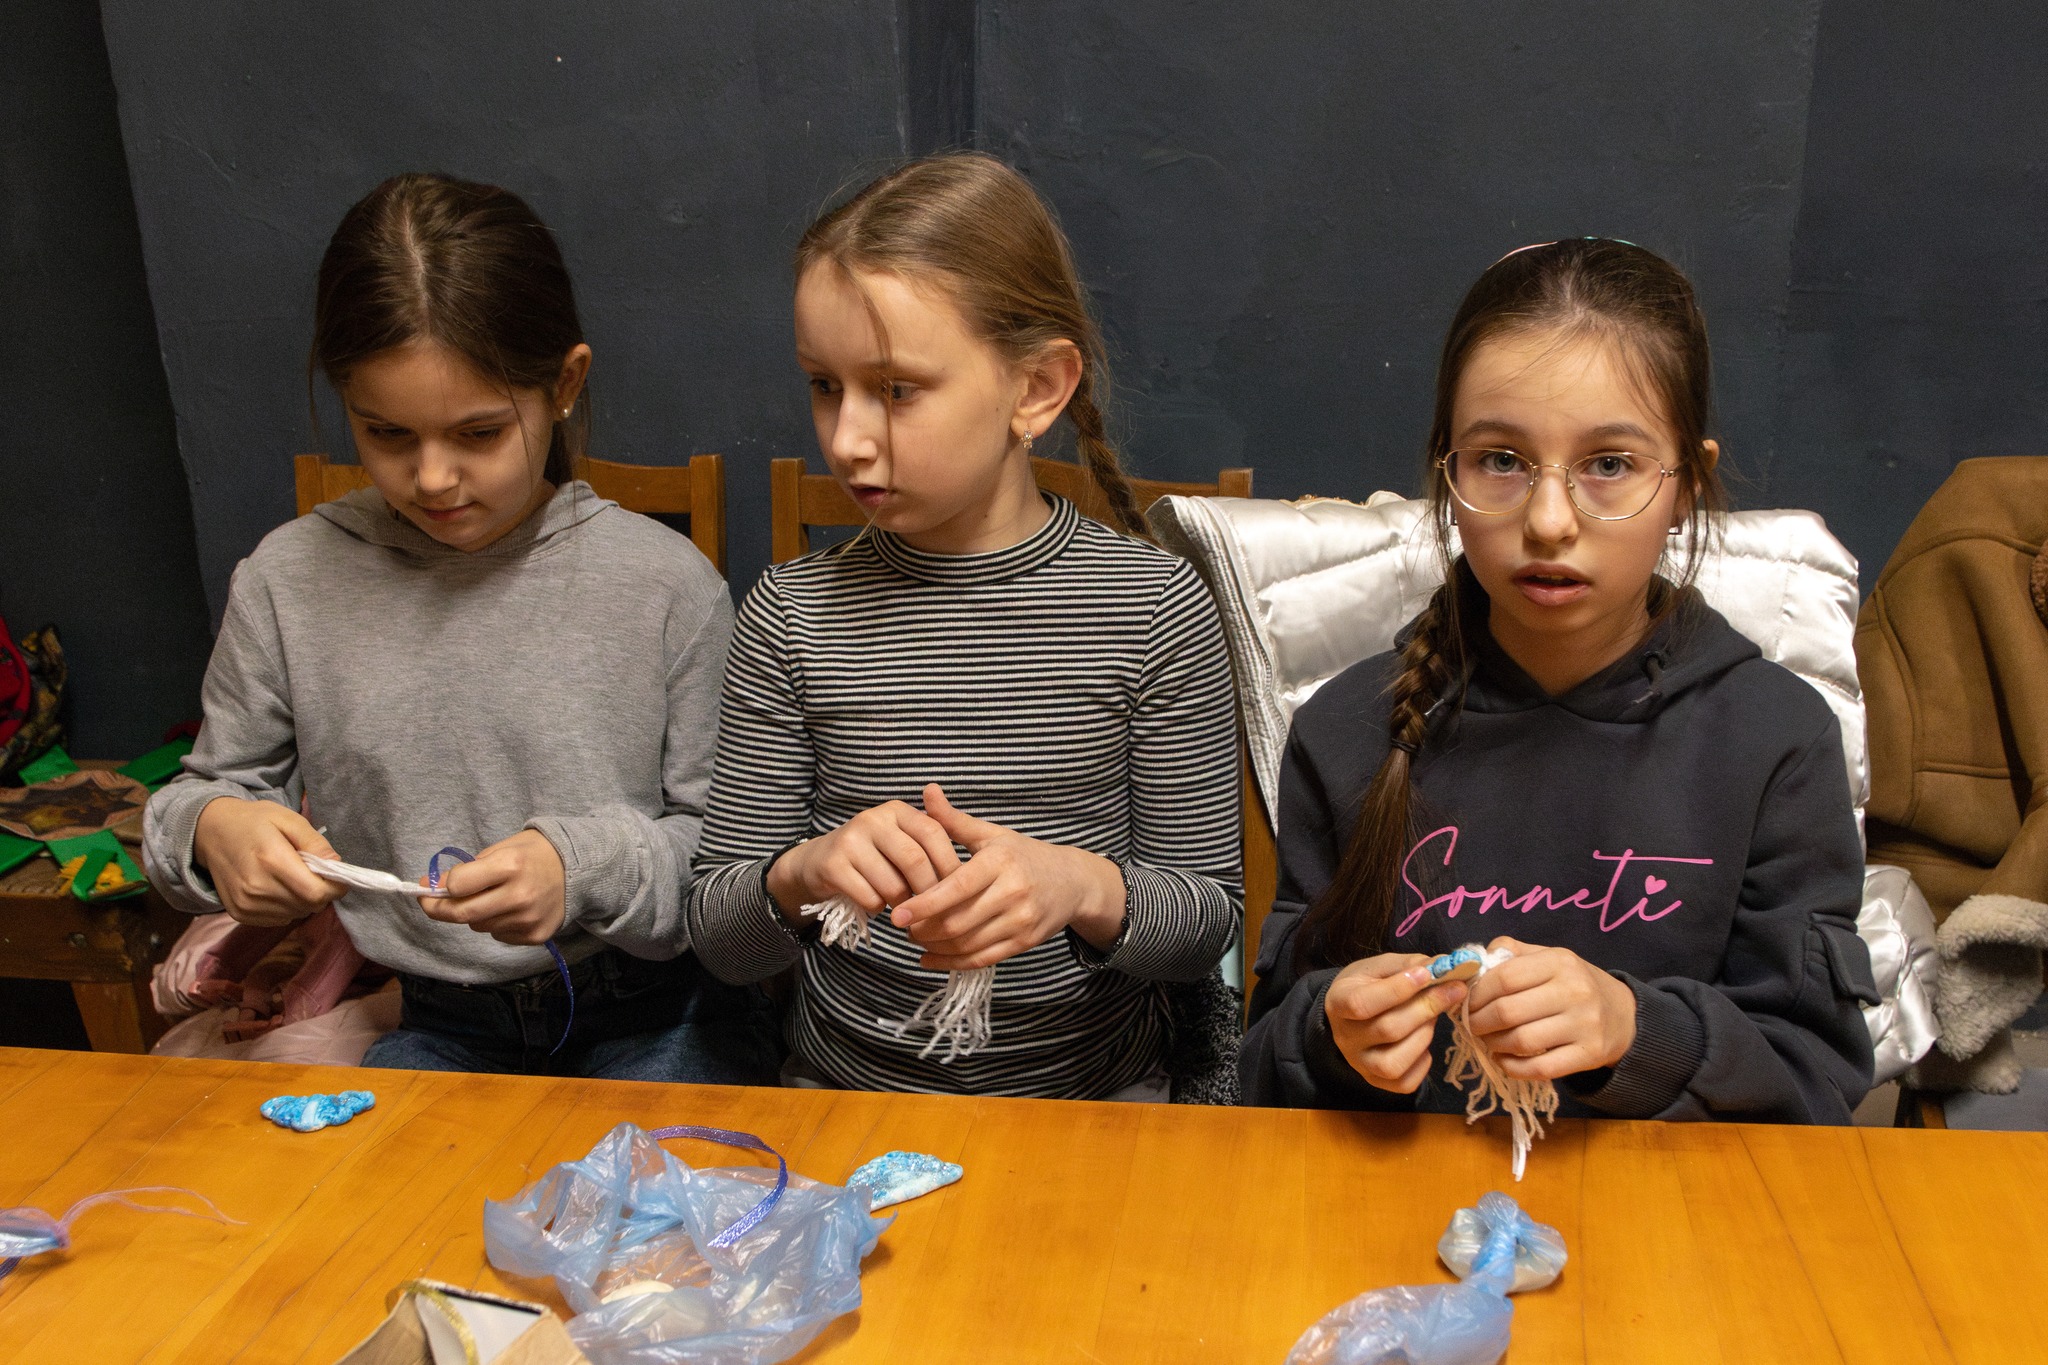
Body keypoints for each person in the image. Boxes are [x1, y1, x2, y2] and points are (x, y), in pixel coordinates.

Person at [143, 172, 777, 1082]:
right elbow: (196, 797)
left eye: (479, 433)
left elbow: (724, 869)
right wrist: (215, 829)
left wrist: (580, 868)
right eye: (387, 434)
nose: (434, 477)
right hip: (437, 1019)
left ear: (564, 383)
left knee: (654, 1176)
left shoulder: (665, 585)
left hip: (657, 1012)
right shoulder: (289, 580)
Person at [1240, 238, 1876, 1123]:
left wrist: (1638, 1029)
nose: (1547, 521)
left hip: (1676, 1200)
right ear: (1447, 468)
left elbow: (1817, 1084)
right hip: (1400, 1199)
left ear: (1686, 484)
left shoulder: (1775, 740)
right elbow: (1261, 1067)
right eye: (1501, 459)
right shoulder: (1348, 728)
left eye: (1609, 464)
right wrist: (1331, 1036)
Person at [686, 152, 1242, 1100]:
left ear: (1036, 388)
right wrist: (801, 873)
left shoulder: (1153, 608)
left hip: (1097, 1108)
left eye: (896, 390)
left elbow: (1205, 922)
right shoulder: (791, 614)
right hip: (843, 1100)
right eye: (824, 384)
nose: (846, 438)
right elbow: (718, 936)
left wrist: (1080, 887)